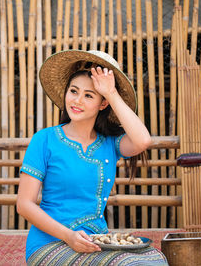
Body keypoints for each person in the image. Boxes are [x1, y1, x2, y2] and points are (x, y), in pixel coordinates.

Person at [16, 50, 168, 265]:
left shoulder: (109, 144)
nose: (77, 101)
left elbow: (143, 141)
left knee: (155, 260)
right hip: (50, 243)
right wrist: (68, 236)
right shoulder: (45, 140)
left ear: (103, 104)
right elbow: (24, 204)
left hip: (98, 242)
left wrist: (111, 92)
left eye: (89, 95)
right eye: (73, 91)